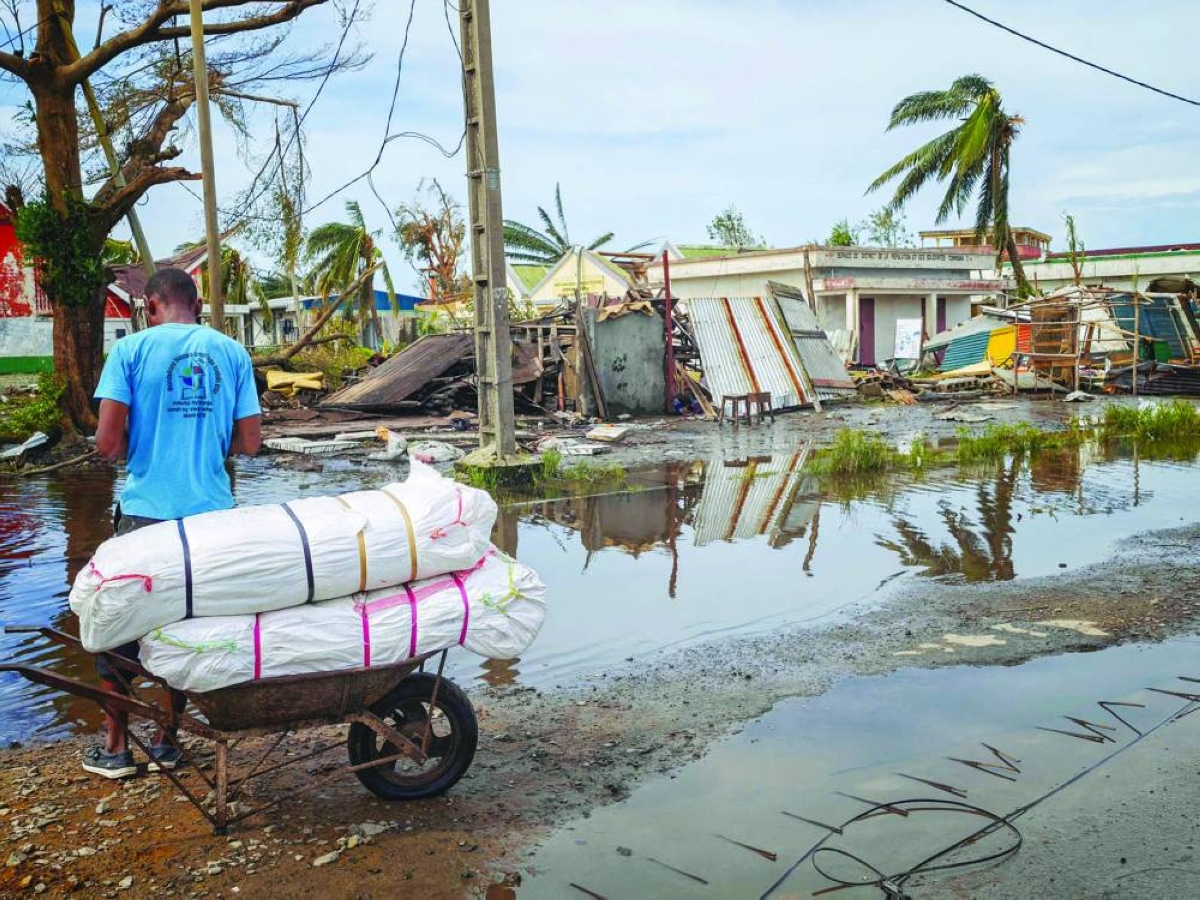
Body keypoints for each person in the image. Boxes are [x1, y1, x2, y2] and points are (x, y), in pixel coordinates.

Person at [84, 267, 262, 779]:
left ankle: (116, 749)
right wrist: (204, 446)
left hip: (145, 519)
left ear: (151, 306)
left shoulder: (130, 351)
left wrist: (143, 439)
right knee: (188, 629)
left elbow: (109, 444)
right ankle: (167, 742)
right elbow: (249, 442)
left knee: (115, 630)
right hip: (211, 521)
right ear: (197, 304)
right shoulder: (232, 353)